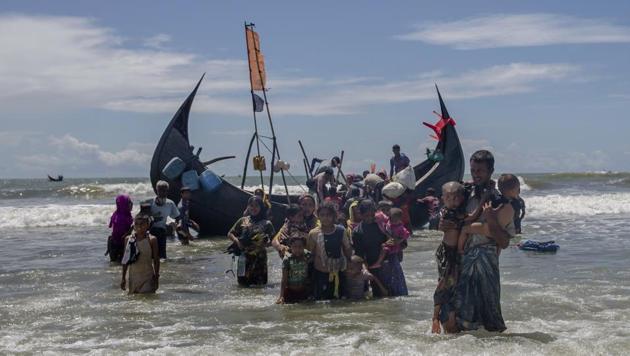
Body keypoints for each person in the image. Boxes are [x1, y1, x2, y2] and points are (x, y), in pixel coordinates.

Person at [447, 150, 514, 332]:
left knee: (490, 314)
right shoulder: (463, 196)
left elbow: (505, 242)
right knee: (460, 314)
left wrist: (490, 220)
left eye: (480, 171)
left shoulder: (500, 203)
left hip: (487, 263)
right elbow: (448, 223)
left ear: (491, 171)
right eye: (473, 170)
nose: (476, 174)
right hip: (462, 260)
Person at [432, 181, 468, 334]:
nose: (452, 200)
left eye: (455, 197)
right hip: (447, 253)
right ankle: (435, 317)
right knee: (444, 282)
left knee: (453, 284)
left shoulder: (454, 211)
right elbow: (470, 218)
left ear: (461, 198)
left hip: (454, 253)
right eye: (448, 197)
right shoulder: (449, 213)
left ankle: (446, 318)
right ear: (442, 199)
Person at [352, 200, 408, 297]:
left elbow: (404, 243)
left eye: (372, 215)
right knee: (379, 297)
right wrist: (366, 270)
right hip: (374, 268)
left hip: (391, 265)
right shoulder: (357, 232)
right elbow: (359, 255)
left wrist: (396, 241)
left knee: (399, 296)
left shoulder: (384, 224)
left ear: (376, 212)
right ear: (360, 214)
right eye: (366, 215)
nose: (370, 218)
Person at [458, 174, 518, 254]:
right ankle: (497, 252)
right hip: (500, 231)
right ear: (514, 190)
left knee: (464, 229)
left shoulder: (497, 199)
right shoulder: (513, 203)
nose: (519, 191)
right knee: (499, 244)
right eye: (518, 188)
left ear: (500, 188)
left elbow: (490, 207)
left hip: (487, 228)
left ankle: (460, 249)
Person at [306, 202, 352, 300]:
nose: (325, 218)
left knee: (341, 300)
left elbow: (347, 249)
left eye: (328, 215)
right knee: (323, 301)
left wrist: (352, 264)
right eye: (322, 215)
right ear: (318, 216)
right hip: (321, 273)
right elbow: (310, 253)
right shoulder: (313, 233)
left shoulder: (341, 230)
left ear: (334, 216)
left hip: (339, 271)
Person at [227, 196, 276, 287]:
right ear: (248, 207)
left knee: (260, 286)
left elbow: (274, 239)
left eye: (256, 206)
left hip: (260, 259)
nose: (254, 208)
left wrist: (264, 245)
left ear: (261, 207)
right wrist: (237, 241)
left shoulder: (267, 223)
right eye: (251, 206)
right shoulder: (243, 220)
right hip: (244, 257)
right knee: (242, 284)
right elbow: (230, 233)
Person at [121, 214, 159, 294]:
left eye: (142, 224)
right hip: (133, 276)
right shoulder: (128, 240)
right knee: (135, 302)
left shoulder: (152, 240)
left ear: (148, 225)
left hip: (147, 276)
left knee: (147, 300)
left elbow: (156, 260)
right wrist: (123, 278)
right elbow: (125, 260)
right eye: (136, 224)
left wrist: (156, 277)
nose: (139, 226)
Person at [150, 181, 180, 260]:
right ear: (156, 190)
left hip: (162, 231)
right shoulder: (150, 202)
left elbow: (177, 217)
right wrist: (152, 219)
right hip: (151, 232)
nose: (162, 192)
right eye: (160, 190)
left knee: (162, 257)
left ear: (167, 191)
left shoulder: (170, 203)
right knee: (152, 255)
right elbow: (143, 216)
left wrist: (176, 225)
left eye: (164, 190)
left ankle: (162, 270)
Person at [277, 238, 312, 304]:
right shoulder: (287, 259)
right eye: (295, 247)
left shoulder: (308, 255)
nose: (297, 249)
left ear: (304, 247)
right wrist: (281, 296)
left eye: (300, 247)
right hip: (290, 291)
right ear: (291, 247)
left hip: (303, 291)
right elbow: (284, 280)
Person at [107, 194, 133, 263]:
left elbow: (110, 226)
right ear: (124, 205)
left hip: (113, 243)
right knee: (121, 264)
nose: (132, 204)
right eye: (130, 203)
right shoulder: (123, 217)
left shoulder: (116, 214)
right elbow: (122, 234)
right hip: (119, 244)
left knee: (115, 264)